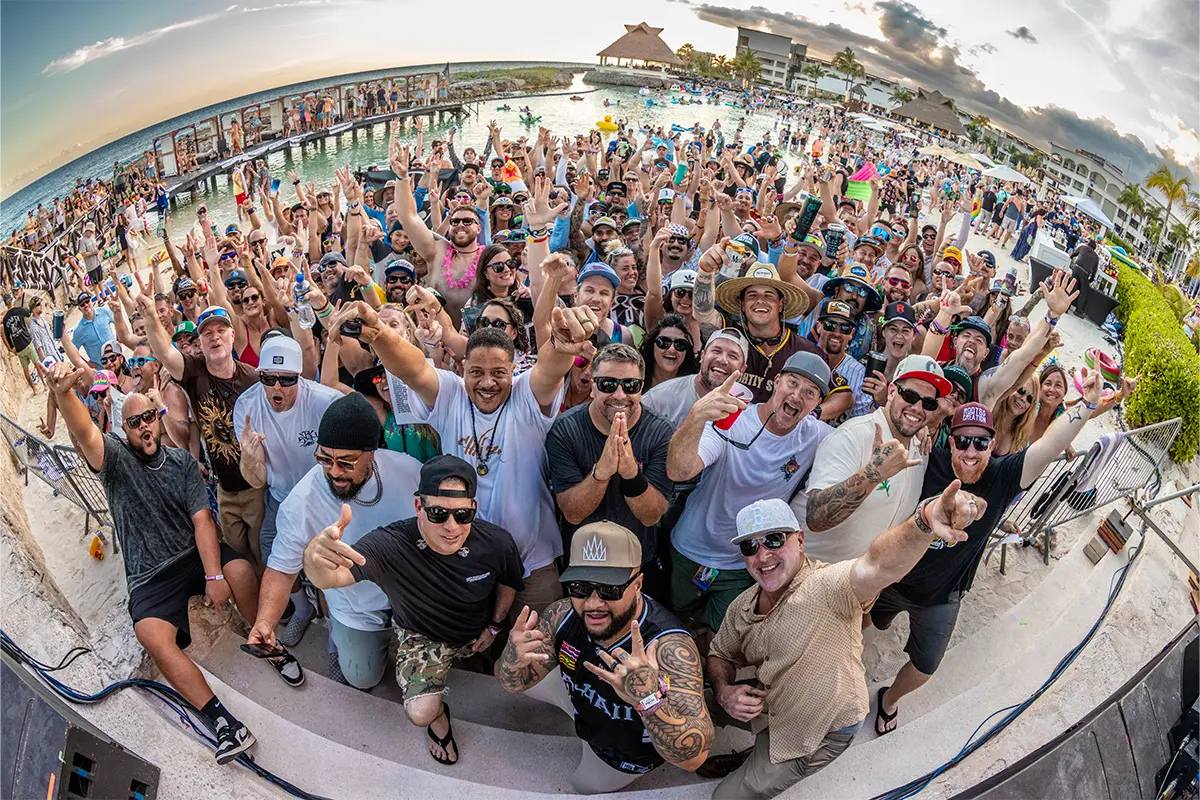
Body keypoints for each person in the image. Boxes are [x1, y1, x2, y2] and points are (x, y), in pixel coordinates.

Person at [334, 264, 595, 616]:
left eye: (498, 373)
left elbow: (548, 369)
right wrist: (379, 334)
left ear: (514, 371)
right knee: (472, 643)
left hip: (534, 561)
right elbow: (414, 367)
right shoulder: (451, 395)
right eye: (477, 373)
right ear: (462, 370)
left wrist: (562, 348)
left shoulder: (527, 395)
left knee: (535, 652)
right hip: (466, 558)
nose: (487, 383)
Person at [43, 361, 266, 764]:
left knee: (241, 571)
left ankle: (265, 639)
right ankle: (222, 723)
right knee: (150, 634)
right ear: (124, 430)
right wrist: (63, 395)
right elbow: (84, 432)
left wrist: (214, 573)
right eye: (134, 422)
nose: (144, 426)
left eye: (149, 417)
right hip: (149, 574)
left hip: (191, 555)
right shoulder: (115, 459)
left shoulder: (180, 462)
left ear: (158, 418)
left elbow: (202, 520)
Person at [874, 380, 1126, 735]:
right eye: (963, 440)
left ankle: (889, 700)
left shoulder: (1004, 475)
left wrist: (1085, 407)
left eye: (980, 442)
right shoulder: (928, 461)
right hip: (895, 578)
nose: (971, 451)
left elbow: (1048, 446)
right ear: (951, 442)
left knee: (926, 666)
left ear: (992, 445)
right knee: (867, 624)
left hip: (940, 597)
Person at [706, 487, 987, 799]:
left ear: (799, 541)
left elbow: (878, 564)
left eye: (774, 540)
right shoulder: (743, 607)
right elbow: (720, 653)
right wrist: (723, 691)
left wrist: (923, 521)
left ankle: (755, 762)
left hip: (817, 731)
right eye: (749, 546)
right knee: (702, 704)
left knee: (726, 798)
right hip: (771, 703)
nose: (762, 555)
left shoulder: (827, 587)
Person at [303, 455, 524, 765]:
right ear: (419, 507)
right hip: (424, 637)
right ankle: (440, 719)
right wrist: (314, 559)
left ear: (473, 509)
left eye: (462, 515)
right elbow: (332, 577)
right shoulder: (391, 544)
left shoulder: (497, 543)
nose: (451, 527)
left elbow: (509, 581)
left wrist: (495, 626)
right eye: (438, 513)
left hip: (478, 630)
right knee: (421, 712)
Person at [494, 522, 712, 793]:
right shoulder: (562, 614)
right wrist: (513, 656)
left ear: (638, 584)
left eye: (610, 589)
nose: (593, 603)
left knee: (583, 785)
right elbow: (510, 683)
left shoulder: (668, 648)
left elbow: (694, 759)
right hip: (586, 701)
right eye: (580, 586)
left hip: (622, 752)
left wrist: (646, 697)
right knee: (531, 678)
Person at [250, 392, 421, 688]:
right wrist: (265, 622)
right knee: (363, 678)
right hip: (355, 608)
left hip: (411, 596)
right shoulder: (301, 502)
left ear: (372, 451)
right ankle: (337, 634)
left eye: (346, 461)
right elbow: (280, 569)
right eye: (324, 458)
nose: (334, 472)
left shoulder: (410, 471)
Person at [665, 352, 833, 632]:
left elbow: (861, 437)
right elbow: (680, 471)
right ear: (776, 382)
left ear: (817, 403)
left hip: (744, 563)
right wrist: (696, 417)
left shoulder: (816, 435)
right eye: (792, 383)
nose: (797, 396)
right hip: (690, 549)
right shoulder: (734, 419)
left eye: (810, 392)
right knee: (673, 621)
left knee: (720, 639)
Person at [234, 335, 342, 642]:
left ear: (299, 377)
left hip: (324, 497)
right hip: (280, 497)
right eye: (269, 379)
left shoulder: (325, 402)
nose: (277, 388)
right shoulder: (247, 408)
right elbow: (256, 481)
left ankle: (336, 630)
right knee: (272, 555)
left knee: (328, 566)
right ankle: (303, 609)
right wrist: (249, 459)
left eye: (286, 379)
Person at [546, 344, 674, 598]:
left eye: (630, 385)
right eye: (607, 384)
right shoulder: (565, 430)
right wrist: (600, 473)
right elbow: (572, 512)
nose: (619, 394)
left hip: (637, 559)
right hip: (583, 559)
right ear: (592, 386)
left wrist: (630, 473)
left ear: (642, 388)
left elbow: (652, 515)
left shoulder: (661, 432)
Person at [140, 302, 264, 568]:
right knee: (240, 558)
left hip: (256, 488)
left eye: (221, 330)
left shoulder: (253, 379)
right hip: (225, 490)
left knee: (263, 553)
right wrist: (151, 317)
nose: (214, 337)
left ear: (233, 336)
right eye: (207, 333)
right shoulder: (195, 372)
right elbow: (164, 352)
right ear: (201, 342)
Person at [802, 355, 950, 563]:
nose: (917, 408)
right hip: (810, 570)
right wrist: (872, 474)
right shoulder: (854, 435)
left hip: (858, 582)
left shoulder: (920, 451)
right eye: (909, 396)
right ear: (891, 392)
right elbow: (816, 517)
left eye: (928, 403)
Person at [643, 328, 749, 429]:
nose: (722, 360)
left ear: (742, 370)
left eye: (733, 356)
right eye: (716, 351)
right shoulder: (658, 399)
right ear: (702, 356)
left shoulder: (745, 416)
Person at [70, 292, 117, 366]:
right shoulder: (79, 331)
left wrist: (119, 339)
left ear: (91, 301)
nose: (85, 305)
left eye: (87, 301)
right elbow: (72, 351)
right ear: (79, 309)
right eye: (82, 304)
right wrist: (87, 363)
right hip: (101, 368)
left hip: (117, 360)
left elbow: (118, 321)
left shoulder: (104, 311)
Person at [2, 295, 37, 390]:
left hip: (19, 348)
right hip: (27, 342)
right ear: (12, 301)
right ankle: (44, 384)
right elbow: (28, 313)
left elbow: (7, 336)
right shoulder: (18, 310)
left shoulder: (5, 319)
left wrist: (12, 348)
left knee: (26, 371)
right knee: (37, 364)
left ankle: (34, 388)